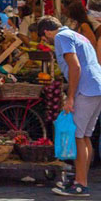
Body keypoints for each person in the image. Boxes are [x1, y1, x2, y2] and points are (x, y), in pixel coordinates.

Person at [38, 16, 101, 197]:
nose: (46, 41)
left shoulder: (61, 37)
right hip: (96, 86)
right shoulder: (75, 34)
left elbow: (75, 67)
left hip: (86, 89)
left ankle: (80, 184)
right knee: (86, 136)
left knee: (78, 136)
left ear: (47, 31)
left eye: (43, 38)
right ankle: (81, 180)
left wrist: (71, 97)